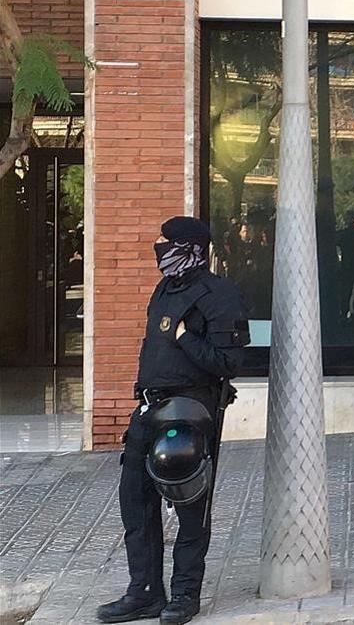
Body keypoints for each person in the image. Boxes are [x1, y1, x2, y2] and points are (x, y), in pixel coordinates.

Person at [97, 217, 249, 625]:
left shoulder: (220, 294)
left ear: (190, 248)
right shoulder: (165, 288)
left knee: (190, 508)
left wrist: (185, 336)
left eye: (167, 242)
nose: (160, 248)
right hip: (148, 409)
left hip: (190, 414)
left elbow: (228, 361)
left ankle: (184, 594)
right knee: (135, 501)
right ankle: (143, 591)